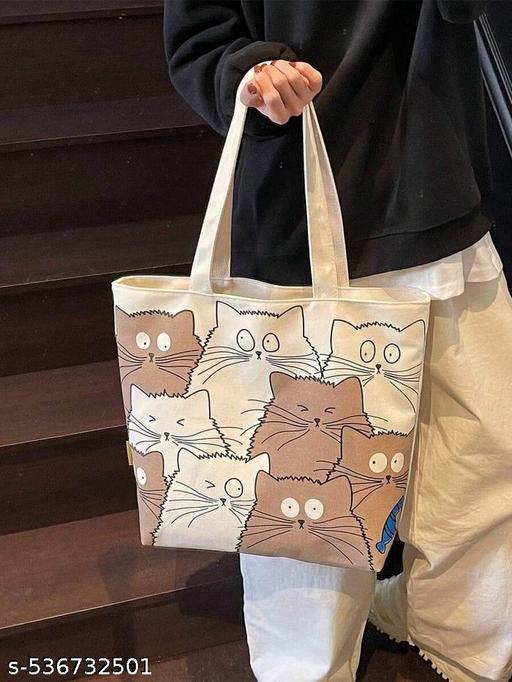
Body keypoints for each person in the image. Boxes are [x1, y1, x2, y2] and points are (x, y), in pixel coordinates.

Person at [163, 2, 512, 681]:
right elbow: (197, 38)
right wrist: (247, 74)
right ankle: (308, 668)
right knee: (305, 485)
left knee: (484, 457)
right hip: (300, 205)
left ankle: (461, 639)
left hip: (439, 184)